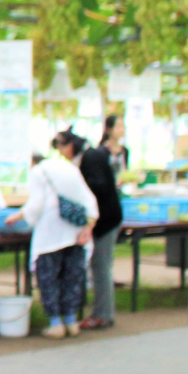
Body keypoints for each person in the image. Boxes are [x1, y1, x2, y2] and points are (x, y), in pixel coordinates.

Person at [6, 131, 98, 338]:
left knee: (49, 279)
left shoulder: (38, 172)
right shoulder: (67, 167)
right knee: (71, 278)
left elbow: (36, 206)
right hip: (76, 231)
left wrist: (17, 216)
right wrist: (88, 227)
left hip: (51, 234)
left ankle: (55, 323)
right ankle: (71, 321)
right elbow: (89, 199)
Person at [78, 114, 126, 330]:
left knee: (101, 266)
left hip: (106, 218)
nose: (122, 129)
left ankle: (103, 314)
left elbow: (97, 187)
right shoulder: (100, 153)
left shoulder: (94, 159)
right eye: (119, 125)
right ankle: (103, 312)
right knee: (101, 265)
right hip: (107, 216)